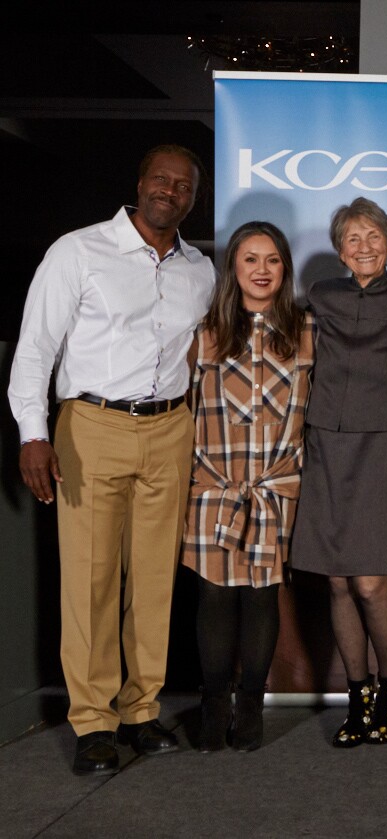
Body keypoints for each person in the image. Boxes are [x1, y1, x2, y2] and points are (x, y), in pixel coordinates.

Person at [9, 145, 215, 774]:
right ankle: (93, 721)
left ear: (191, 198)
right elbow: (36, 348)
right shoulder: (78, 251)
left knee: (153, 581)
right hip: (92, 426)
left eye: (183, 186)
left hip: (169, 431)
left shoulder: (201, 270)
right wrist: (32, 434)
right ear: (139, 183)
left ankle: (141, 709)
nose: (170, 191)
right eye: (161, 179)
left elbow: (197, 355)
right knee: (92, 581)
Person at [293, 198, 387, 747]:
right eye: (352, 237)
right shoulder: (321, 295)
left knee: (373, 583)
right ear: (339, 249)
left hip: (386, 449)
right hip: (325, 444)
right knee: (339, 582)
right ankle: (357, 694)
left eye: (373, 235)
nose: (364, 246)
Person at [182, 221, 313, 753]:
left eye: (273, 260)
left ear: (285, 269)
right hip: (214, 485)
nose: (262, 270)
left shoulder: (307, 331)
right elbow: (182, 407)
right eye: (250, 259)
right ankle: (215, 704)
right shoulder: (206, 331)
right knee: (214, 596)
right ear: (233, 269)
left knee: (262, 597)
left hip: (274, 486)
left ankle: (251, 708)